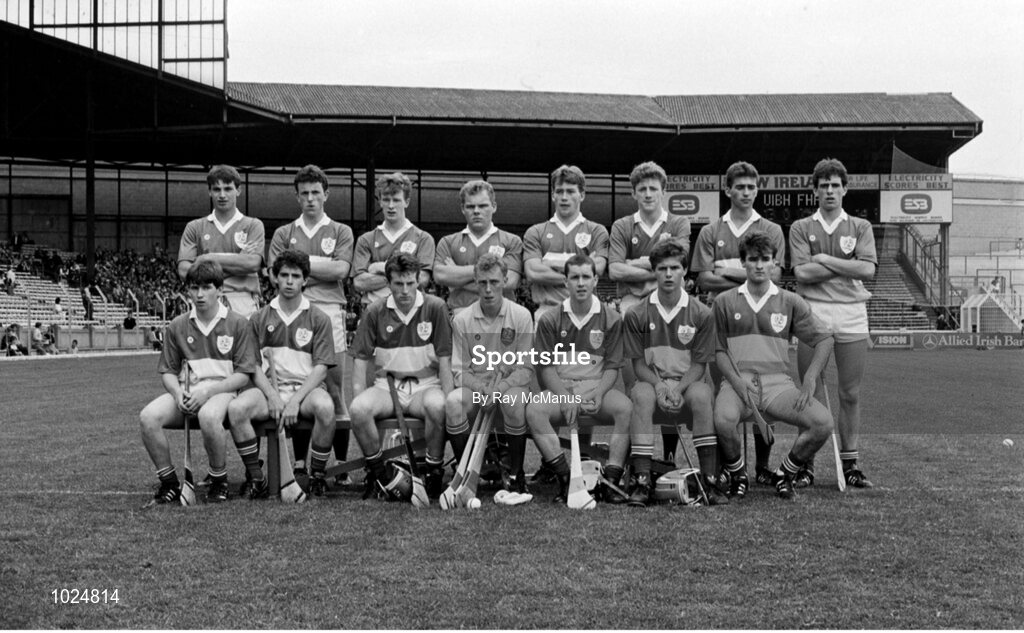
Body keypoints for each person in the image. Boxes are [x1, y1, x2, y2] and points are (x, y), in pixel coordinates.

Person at [713, 231, 835, 500]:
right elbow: (719, 350)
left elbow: (824, 339)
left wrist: (811, 377)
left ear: (774, 263)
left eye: (765, 259)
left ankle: (785, 473)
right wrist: (735, 381)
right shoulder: (724, 301)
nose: (759, 265)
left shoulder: (790, 301)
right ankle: (738, 474)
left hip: (777, 383)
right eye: (753, 259)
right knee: (722, 421)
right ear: (743, 262)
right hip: (738, 381)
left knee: (822, 423)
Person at [690, 160, 787, 485]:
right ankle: (730, 467)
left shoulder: (771, 230)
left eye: (751, 187)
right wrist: (746, 278)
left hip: (760, 322)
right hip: (719, 319)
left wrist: (726, 272)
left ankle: (762, 466)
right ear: (727, 189)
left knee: (764, 387)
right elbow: (704, 279)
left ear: (757, 190)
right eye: (739, 187)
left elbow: (775, 275)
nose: (745, 192)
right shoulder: (710, 231)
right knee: (724, 390)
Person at [138, 261, 258, 505]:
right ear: (188, 291)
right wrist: (177, 392)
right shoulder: (177, 325)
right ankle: (169, 483)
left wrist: (208, 392)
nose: (200, 294)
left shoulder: (237, 323)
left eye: (206, 287)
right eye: (194, 288)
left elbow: (243, 375)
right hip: (189, 393)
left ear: (220, 290)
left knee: (209, 415)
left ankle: (218, 479)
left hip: (224, 392)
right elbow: (169, 372)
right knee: (148, 417)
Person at [789, 158, 877, 488]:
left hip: (852, 312)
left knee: (850, 392)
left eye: (835, 185)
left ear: (845, 189)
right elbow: (801, 273)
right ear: (815, 190)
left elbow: (868, 270)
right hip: (812, 311)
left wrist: (823, 259)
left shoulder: (860, 227)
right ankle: (804, 463)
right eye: (823, 185)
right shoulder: (800, 227)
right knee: (808, 391)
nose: (829, 190)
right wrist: (848, 265)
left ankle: (851, 464)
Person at [267, 165, 355, 487]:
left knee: (334, 391)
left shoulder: (341, 232)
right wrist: (320, 267)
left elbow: (341, 271)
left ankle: (342, 465)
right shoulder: (282, 233)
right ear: (297, 196)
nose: (310, 199)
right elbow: (274, 273)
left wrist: (300, 264)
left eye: (315, 192)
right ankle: (303, 464)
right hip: (292, 311)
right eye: (304, 193)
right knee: (296, 388)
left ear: (326, 194)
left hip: (329, 311)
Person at [622, 240, 726, 506]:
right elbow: (638, 366)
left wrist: (678, 389)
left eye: (674, 268)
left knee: (703, 395)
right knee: (641, 395)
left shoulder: (702, 313)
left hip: (687, 385)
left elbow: (699, 366)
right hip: (652, 382)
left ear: (685, 272)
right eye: (662, 269)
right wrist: (659, 386)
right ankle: (642, 481)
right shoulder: (636, 314)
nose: (668, 274)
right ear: (654, 272)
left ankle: (710, 481)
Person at [227, 250, 337, 498]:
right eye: (284, 275)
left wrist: (296, 399)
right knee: (237, 410)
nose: (289, 281)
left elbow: (321, 369)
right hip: (268, 391)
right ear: (275, 278)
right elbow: (252, 365)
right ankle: (256, 477)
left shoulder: (319, 318)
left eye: (295, 276)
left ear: (305, 280)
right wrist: (273, 397)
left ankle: (316, 475)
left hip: (306, 390)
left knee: (326, 408)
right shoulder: (258, 318)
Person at [525, 254, 632, 503]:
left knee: (626, 408)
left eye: (586, 277)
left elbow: (613, 366)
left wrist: (599, 392)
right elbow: (546, 368)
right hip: (562, 387)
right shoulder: (550, 319)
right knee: (534, 412)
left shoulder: (612, 318)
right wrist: (564, 396)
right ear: (566, 282)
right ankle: (566, 478)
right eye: (575, 277)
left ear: (596, 280)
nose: (580, 283)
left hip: (595, 388)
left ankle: (612, 480)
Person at [348, 253, 453, 500]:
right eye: (398, 284)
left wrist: (449, 400)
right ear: (388, 282)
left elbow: (445, 360)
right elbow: (360, 361)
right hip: (387, 386)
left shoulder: (435, 307)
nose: (405, 290)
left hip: (426, 384)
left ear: (419, 281)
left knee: (438, 406)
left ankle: (434, 472)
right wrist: (358, 398)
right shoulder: (375, 311)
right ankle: (379, 475)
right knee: (359, 409)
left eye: (410, 283)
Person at [608, 160, 692, 460]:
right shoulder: (622, 226)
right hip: (634, 306)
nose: (647, 194)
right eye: (641, 189)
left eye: (653, 188)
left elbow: (679, 264)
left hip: (671, 303)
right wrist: (655, 263)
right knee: (636, 384)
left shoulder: (679, 223)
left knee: (672, 377)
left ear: (663, 191)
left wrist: (634, 264)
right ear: (633, 193)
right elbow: (615, 271)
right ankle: (636, 455)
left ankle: (669, 454)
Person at [445, 253, 534, 497]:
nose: (488, 289)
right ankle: (465, 471)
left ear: (505, 280)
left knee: (513, 401)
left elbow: (525, 368)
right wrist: (481, 388)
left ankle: (516, 475)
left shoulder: (522, 316)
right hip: (478, 389)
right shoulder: (462, 319)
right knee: (453, 403)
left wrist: (500, 389)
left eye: (494, 282)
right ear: (474, 282)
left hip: (508, 387)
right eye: (482, 282)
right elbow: (459, 371)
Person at [177, 164, 266, 319]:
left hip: (242, 299)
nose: (222, 195)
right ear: (209, 192)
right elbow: (184, 271)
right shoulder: (194, 227)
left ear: (238, 190)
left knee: (243, 343)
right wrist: (238, 261)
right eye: (217, 189)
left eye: (228, 189)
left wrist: (206, 259)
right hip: (206, 298)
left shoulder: (253, 225)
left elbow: (252, 264)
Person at [523, 165, 610, 322]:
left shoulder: (597, 231)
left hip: (586, 314)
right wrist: (581, 266)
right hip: (547, 313)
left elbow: (598, 268)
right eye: (559, 191)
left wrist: (549, 262)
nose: (564, 197)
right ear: (552, 195)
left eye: (570, 191)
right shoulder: (535, 232)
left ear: (582, 195)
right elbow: (533, 272)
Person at [433, 179, 524, 317]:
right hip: (460, 316)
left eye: (483, 206)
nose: (476, 211)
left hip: (501, 317)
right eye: (470, 206)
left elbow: (510, 281)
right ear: (462, 208)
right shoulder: (448, 242)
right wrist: (493, 274)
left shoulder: (512, 241)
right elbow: (440, 276)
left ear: (494, 206)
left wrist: (456, 281)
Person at [352, 172, 435, 309]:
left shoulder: (423, 238)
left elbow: (422, 279)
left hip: (411, 312)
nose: (391, 206)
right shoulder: (366, 239)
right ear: (380, 201)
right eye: (386, 199)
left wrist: (376, 268)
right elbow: (359, 283)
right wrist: (403, 276)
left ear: (406, 202)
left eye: (396, 200)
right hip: (374, 311)